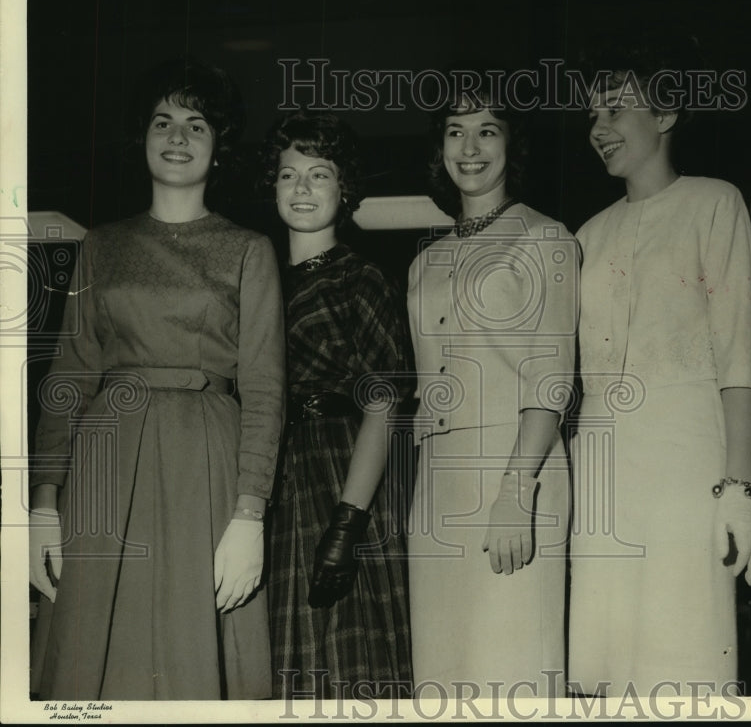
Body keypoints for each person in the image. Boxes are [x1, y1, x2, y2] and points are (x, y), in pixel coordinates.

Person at [28, 58, 285, 699]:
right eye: (163, 121)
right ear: (141, 138)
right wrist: (42, 500)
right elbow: (70, 374)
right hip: (105, 465)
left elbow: (264, 390)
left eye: (196, 125)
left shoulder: (249, 249)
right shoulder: (102, 246)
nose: (177, 136)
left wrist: (249, 515)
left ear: (218, 148)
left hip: (208, 467)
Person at [568, 41, 751, 697]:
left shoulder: (715, 204)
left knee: (684, 668)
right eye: (592, 115)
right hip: (603, 476)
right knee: (606, 676)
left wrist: (741, 488)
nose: (599, 129)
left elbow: (741, 356)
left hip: (687, 472)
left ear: (668, 112)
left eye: (616, 109)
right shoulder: (586, 235)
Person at [406, 81, 579, 697]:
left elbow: (551, 377)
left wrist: (516, 490)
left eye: (488, 129)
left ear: (514, 142)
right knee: (443, 677)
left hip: (516, 469)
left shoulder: (544, 237)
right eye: (455, 130)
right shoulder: (423, 262)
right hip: (438, 480)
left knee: (513, 677)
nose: (470, 147)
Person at [263, 110, 413, 700]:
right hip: (277, 480)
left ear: (344, 189)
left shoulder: (362, 278)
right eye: (288, 174)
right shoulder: (259, 282)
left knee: (353, 665)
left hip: (344, 475)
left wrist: (347, 524)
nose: (302, 188)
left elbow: (385, 404)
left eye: (319, 174)